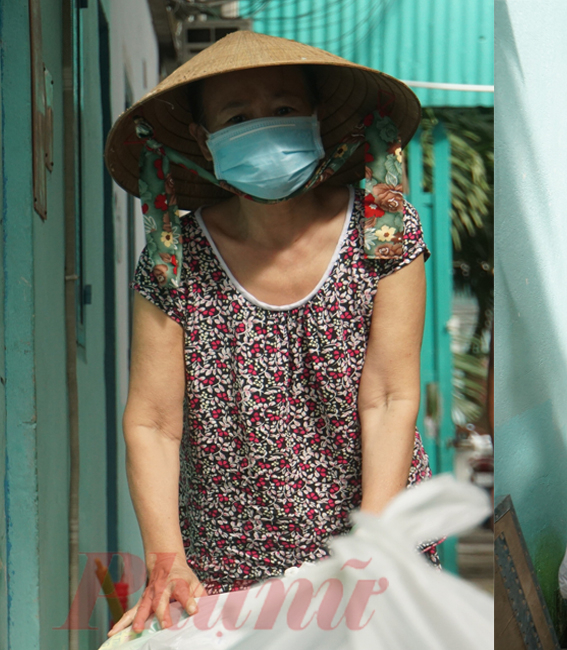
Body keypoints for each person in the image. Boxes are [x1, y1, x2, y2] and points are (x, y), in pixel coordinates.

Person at [104, 31, 437, 636]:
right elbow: (152, 421)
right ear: (206, 142)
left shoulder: (384, 231)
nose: (265, 125)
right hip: (226, 566)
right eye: (238, 116)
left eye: (284, 109)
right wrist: (165, 559)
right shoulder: (173, 260)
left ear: (314, 120)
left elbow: (390, 397)